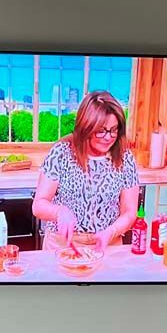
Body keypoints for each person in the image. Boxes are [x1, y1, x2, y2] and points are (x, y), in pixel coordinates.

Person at [32, 91, 140, 252]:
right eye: (101, 130)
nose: (108, 137)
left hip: (108, 244)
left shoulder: (125, 158)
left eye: (114, 130)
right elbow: (39, 205)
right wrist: (60, 211)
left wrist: (111, 232)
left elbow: (130, 212)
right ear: (85, 127)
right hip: (63, 244)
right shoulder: (62, 152)